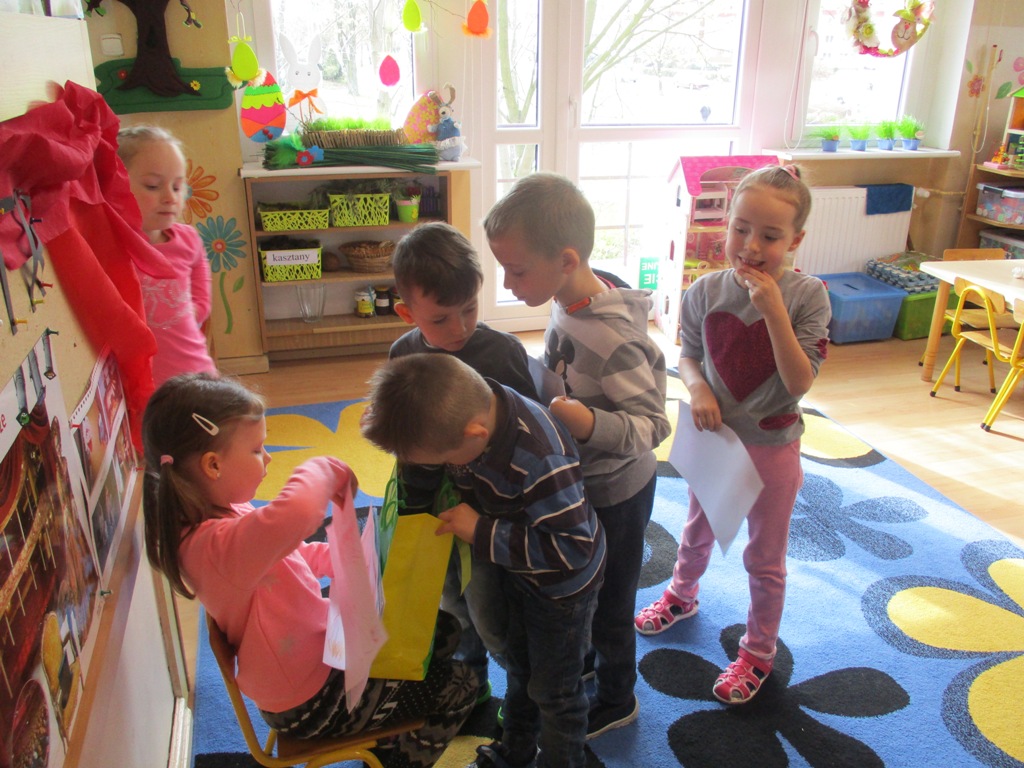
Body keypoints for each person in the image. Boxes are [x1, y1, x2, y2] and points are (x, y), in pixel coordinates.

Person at [141, 373, 477, 768]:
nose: (268, 458)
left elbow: (290, 553)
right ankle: (396, 760)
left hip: (313, 661)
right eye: (257, 449)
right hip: (312, 701)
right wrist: (325, 467)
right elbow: (298, 513)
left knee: (442, 629)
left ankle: (386, 730)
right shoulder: (215, 548)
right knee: (462, 687)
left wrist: (353, 562)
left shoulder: (221, 515)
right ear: (213, 465)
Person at [633, 164, 831, 705]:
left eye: (770, 236)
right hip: (715, 439)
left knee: (764, 557)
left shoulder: (808, 296)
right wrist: (697, 389)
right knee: (697, 524)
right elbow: (689, 356)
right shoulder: (704, 290)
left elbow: (800, 381)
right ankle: (682, 593)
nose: (750, 246)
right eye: (741, 228)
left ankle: (758, 652)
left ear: (795, 241)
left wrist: (773, 312)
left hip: (772, 447)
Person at [483, 172, 670, 739]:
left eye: (517, 271)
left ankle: (617, 696)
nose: (508, 282)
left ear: (566, 260)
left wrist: (585, 422)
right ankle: (582, 663)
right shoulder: (567, 299)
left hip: (618, 490)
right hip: (580, 480)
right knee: (580, 586)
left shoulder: (617, 340)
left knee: (611, 601)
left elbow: (653, 425)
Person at [361, 354, 606, 768]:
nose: (444, 469)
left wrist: (481, 531)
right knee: (521, 670)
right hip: (518, 568)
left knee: (554, 693)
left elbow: (572, 550)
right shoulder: (471, 409)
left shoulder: (540, 459)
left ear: (475, 435)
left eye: (445, 461)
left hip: (562, 591)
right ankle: (515, 751)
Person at [389, 221, 539, 708]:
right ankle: (469, 688)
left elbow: (532, 437)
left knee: (491, 614)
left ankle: (525, 696)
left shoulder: (503, 353)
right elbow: (407, 442)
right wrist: (413, 511)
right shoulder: (403, 355)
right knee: (449, 603)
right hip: (433, 511)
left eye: (470, 309)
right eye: (440, 319)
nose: (459, 328)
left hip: (489, 516)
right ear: (407, 313)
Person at [117, 125, 216, 386]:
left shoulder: (188, 239)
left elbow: (201, 289)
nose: (170, 197)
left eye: (177, 186)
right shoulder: (112, 246)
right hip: (145, 387)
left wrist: (185, 314)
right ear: (115, 185)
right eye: (152, 186)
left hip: (198, 373)